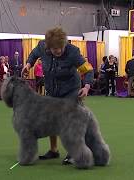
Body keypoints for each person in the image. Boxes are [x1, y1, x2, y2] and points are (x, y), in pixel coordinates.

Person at [21, 27, 94, 164]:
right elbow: (33, 54)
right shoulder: (42, 46)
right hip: (52, 90)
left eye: (61, 47)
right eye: (55, 49)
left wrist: (86, 86)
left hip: (71, 91)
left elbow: (88, 70)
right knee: (51, 119)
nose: (59, 51)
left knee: (70, 121)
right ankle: (54, 150)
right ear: (48, 47)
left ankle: (74, 151)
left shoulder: (73, 52)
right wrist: (28, 65)